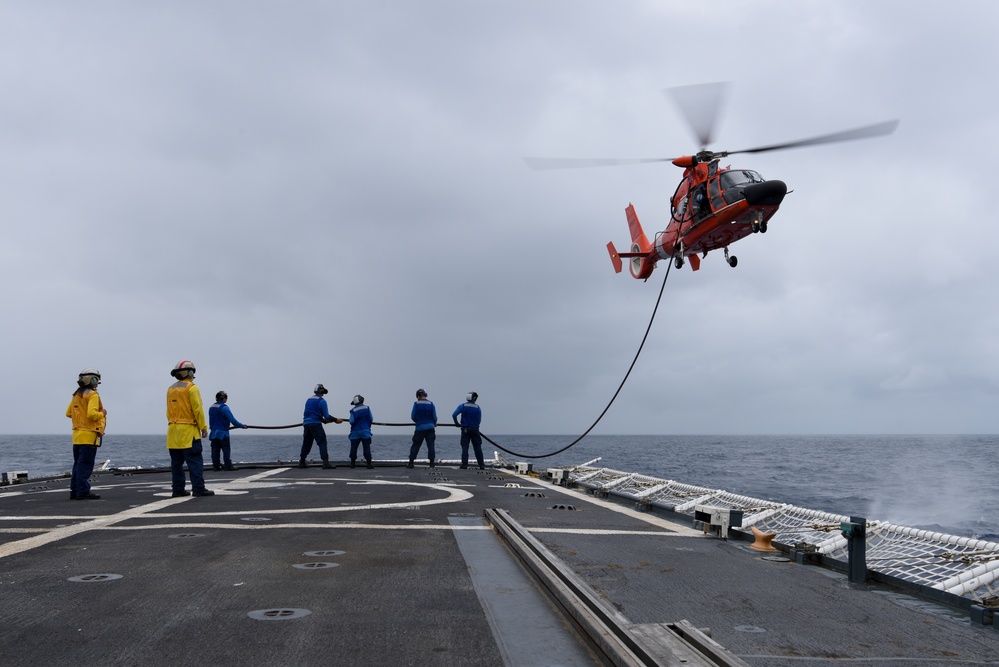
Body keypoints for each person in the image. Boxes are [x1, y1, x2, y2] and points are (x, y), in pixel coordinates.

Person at [166, 360, 214, 497]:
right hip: (188, 431)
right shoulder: (192, 388)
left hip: (173, 432)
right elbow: (197, 410)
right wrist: (203, 427)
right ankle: (198, 488)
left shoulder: (170, 389)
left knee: (176, 463)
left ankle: (178, 490)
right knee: (194, 460)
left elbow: (168, 411)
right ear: (191, 372)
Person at [65, 368, 107, 500]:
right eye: (96, 380)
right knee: (85, 465)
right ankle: (83, 491)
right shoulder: (92, 395)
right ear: (92, 380)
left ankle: (75, 491)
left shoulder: (76, 394)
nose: (97, 383)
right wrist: (102, 413)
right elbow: (92, 414)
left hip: (77, 436)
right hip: (88, 436)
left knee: (77, 465)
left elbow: (68, 413)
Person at [299, 384, 341, 469]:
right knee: (322, 442)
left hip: (306, 424)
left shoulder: (309, 400)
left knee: (306, 443)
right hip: (316, 424)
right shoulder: (322, 401)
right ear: (322, 391)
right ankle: (325, 463)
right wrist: (335, 420)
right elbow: (327, 416)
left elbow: (311, 412)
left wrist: (322, 420)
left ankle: (302, 462)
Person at [208, 391, 247, 471]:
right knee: (226, 449)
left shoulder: (211, 407)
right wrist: (242, 426)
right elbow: (233, 420)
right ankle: (228, 465)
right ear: (223, 398)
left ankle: (216, 466)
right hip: (223, 433)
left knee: (215, 450)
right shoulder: (224, 408)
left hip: (213, 433)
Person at [452, 391, 484, 470]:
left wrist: (457, 423)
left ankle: (464, 465)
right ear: (474, 398)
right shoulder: (477, 408)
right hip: (475, 429)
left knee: (465, 447)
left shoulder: (462, 406)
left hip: (465, 429)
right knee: (477, 447)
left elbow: (454, 415)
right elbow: (479, 420)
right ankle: (481, 465)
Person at [407, 388, 437, 468]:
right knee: (431, 445)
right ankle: (432, 463)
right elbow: (435, 417)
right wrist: (433, 423)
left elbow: (413, 416)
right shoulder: (431, 404)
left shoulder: (416, 404)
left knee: (416, 445)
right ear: (425, 395)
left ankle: (411, 462)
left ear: (417, 396)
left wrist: (418, 421)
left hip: (420, 428)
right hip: (430, 427)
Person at [347, 395, 374, 469]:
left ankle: (352, 463)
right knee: (366, 447)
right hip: (365, 430)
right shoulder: (367, 408)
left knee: (354, 448)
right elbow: (371, 418)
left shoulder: (353, 410)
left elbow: (351, 421)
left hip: (355, 432)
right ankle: (369, 464)